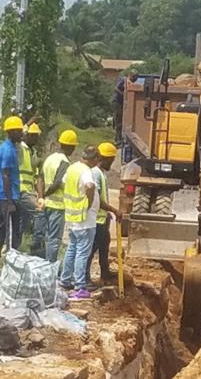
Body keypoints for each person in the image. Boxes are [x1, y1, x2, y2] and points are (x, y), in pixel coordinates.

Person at [60, 146, 99, 300]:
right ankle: (79, 286)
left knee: (72, 249)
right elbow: (89, 186)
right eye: (97, 159)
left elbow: (64, 183)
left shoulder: (72, 168)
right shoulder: (85, 171)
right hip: (84, 218)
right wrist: (88, 202)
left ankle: (65, 280)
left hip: (72, 216)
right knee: (82, 252)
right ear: (93, 158)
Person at [34, 129, 78, 262]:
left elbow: (40, 179)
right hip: (57, 207)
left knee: (40, 235)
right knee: (53, 239)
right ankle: (49, 268)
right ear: (71, 147)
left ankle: (38, 264)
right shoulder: (65, 162)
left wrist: (41, 197)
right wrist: (46, 195)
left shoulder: (49, 158)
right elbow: (58, 183)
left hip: (44, 204)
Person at [87, 142, 120, 284]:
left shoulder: (101, 173)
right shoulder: (95, 173)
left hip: (102, 218)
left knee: (104, 245)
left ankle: (105, 273)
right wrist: (113, 210)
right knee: (91, 249)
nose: (111, 164)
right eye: (111, 160)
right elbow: (97, 199)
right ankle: (85, 277)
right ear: (105, 159)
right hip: (96, 219)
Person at [17, 123, 43, 251]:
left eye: (36, 136)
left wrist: (40, 195)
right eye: (33, 136)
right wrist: (26, 126)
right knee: (40, 211)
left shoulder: (33, 152)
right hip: (21, 190)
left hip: (29, 191)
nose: (36, 139)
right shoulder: (20, 148)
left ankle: (16, 247)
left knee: (22, 222)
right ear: (26, 136)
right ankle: (37, 244)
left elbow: (37, 177)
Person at [0, 116, 23, 250]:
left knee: (3, 231)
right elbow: (6, 174)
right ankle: (9, 260)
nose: (21, 133)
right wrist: (9, 201)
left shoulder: (7, 147)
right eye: (18, 131)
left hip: (5, 196)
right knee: (10, 232)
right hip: (7, 197)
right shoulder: (8, 150)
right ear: (11, 132)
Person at [113, 72, 137, 144]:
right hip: (117, 102)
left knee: (122, 121)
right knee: (119, 121)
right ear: (130, 75)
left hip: (122, 103)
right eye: (134, 78)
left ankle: (119, 138)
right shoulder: (124, 80)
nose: (134, 80)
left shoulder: (131, 83)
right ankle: (118, 139)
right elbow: (116, 88)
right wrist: (124, 95)